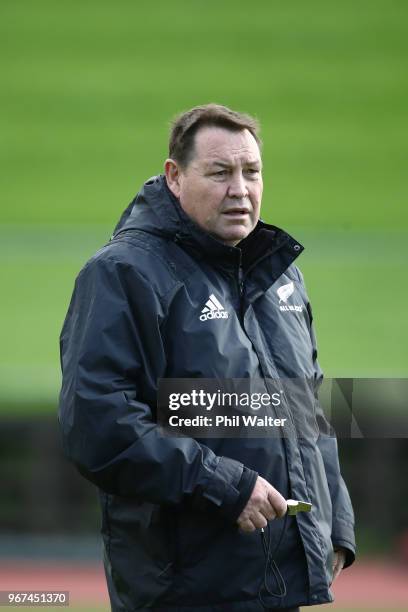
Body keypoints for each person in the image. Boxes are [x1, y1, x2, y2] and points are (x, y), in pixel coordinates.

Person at [58, 104, 355, 611]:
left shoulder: (280, 276)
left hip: (278, 580)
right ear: (174, 177)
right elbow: (98, 423)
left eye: (252, 172)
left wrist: (335, 525)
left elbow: (307, 411)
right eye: (220, 173)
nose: (240, 189)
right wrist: (223, 485)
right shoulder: (123, 274)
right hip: (184, 588)